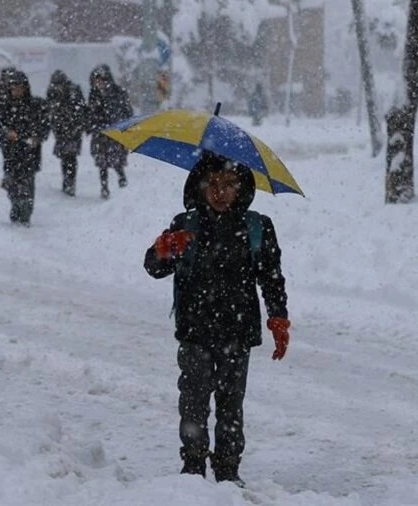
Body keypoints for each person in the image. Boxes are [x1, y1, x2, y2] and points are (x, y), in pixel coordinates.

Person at [143, 151, 291, 485]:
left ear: (243, 188)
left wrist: (278, 317)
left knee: (230, 405)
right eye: (212, 183)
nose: (220, 191)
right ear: (200, 185)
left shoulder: (256, 228)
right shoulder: (186, 225)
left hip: (237, 333)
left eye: (229, 184)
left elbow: (271, 277)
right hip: (195, 330)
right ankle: (193, 468)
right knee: (193, 402)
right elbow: (153, 267)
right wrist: (163, 249)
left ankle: (228, 471)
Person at [0, 70, 49, 227]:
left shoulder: (36, 105)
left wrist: (36, 137)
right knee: (12, 184)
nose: (17, 90)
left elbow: (45, 125)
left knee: (27, 185)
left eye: (20, 87)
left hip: (30, 153)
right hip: (10, 152)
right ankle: (16, 207)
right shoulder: (4, 106)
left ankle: (25, 214)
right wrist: (7, 133)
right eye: (14, 87)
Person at [86, 64, 133, 199]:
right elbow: (91, 113)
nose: (99, 83)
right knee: (102, 163)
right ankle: (104, 187)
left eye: (101, 80)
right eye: (96, 81)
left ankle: (122, 181)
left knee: (117, 161)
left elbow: (126, 111)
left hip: (115, 133)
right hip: (100, 134)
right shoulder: (94, 95)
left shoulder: (118, 92)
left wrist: (120, 126)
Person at [46, 70, 87, 197]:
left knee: (71, 157)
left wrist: (76, 126)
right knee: (64, 157)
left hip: (73, 130)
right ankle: (66, 180)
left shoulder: (74, 91)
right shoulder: (52, 92)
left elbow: (80, 110)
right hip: (60, 130)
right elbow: (49, 109)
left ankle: (70, 182)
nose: (57, 87)